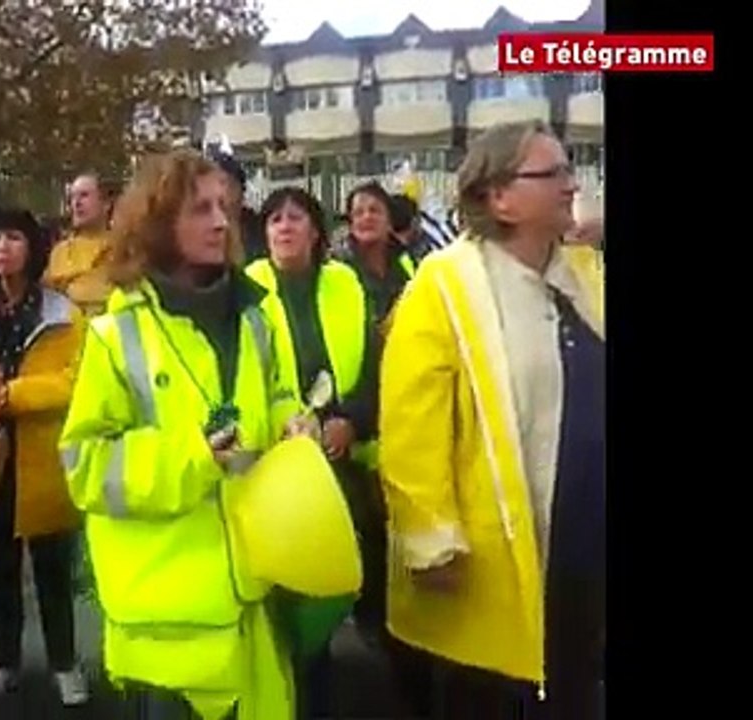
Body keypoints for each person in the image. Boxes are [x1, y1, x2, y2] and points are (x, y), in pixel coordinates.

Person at [59, 149, 312, 720]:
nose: (222, 221)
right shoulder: (116, 333)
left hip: (257, 594)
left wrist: (295, 422)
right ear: (157, 221)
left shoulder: (255, 315)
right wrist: (192, 456)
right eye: (201, 209)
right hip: (170, 625)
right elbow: (85, 464)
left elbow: (277, 396)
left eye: (225, 205)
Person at [379, 120, 605, 720]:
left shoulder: (582, 273)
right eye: (551, 172)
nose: (569, 184)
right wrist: (430, 541)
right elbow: (411, 425)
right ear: (497, 197)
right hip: (494, 556)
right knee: (496, 696)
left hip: (584, 549)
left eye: (568, 167)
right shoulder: (445, 282)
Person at [243, 188, 380, 720]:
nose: (283, 228)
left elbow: (371, 364)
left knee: (326, 592)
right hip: (274, 463)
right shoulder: (247, 287)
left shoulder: (345, 283)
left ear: (316, 230)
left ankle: (316, 686)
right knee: (280, 593)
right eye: (274, 219)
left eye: (295, 218)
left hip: (336, 457)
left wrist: (351, 420)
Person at [0, 208, 90, 707]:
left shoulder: (61, 313)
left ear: (31, 248)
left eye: (13, 238)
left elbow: (76, 381)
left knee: (54, 571)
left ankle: (65, 663)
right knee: (0, 572)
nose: (3, 248)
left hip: (43, 457)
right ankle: (4, 662)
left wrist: (13, 394)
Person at [338, 182, 416, 332]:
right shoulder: (339, 268)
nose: (367, 217)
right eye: (358, 213)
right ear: (351, 224)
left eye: (374, 211)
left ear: (389, 221)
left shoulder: (408, 262)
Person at [43, 172, 115, 316]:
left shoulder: (124, 248)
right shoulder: (61, 252)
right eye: (72, 198)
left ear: (106, 204)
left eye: (84, 195)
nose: (76, 203)